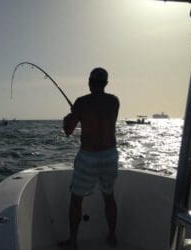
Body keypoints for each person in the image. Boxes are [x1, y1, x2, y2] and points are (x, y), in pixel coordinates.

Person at [59, 68, 120, 250]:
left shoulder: (82, 102)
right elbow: (102, 118)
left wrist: (70, 116)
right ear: (106, 84)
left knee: (76, 199)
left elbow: (68, 130)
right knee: (109, 197)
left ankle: (73, 241)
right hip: (110, 155)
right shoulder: (114, 101)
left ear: (89, 82)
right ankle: (112, 236)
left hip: (88, 157)